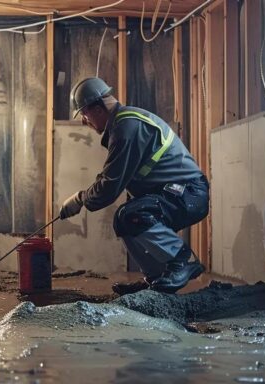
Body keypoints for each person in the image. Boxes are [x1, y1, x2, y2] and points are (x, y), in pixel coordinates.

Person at [59, 77, 210, 295]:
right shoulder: (123, 124)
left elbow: (109, 187)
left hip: (189, 193)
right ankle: (156, 279)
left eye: (84, 113)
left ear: (98, 108)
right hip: (178, 193)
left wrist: (81, 199)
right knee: (124, 220)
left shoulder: (126, 127)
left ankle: (181, 260)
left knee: (131, 215)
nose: (84, 120)